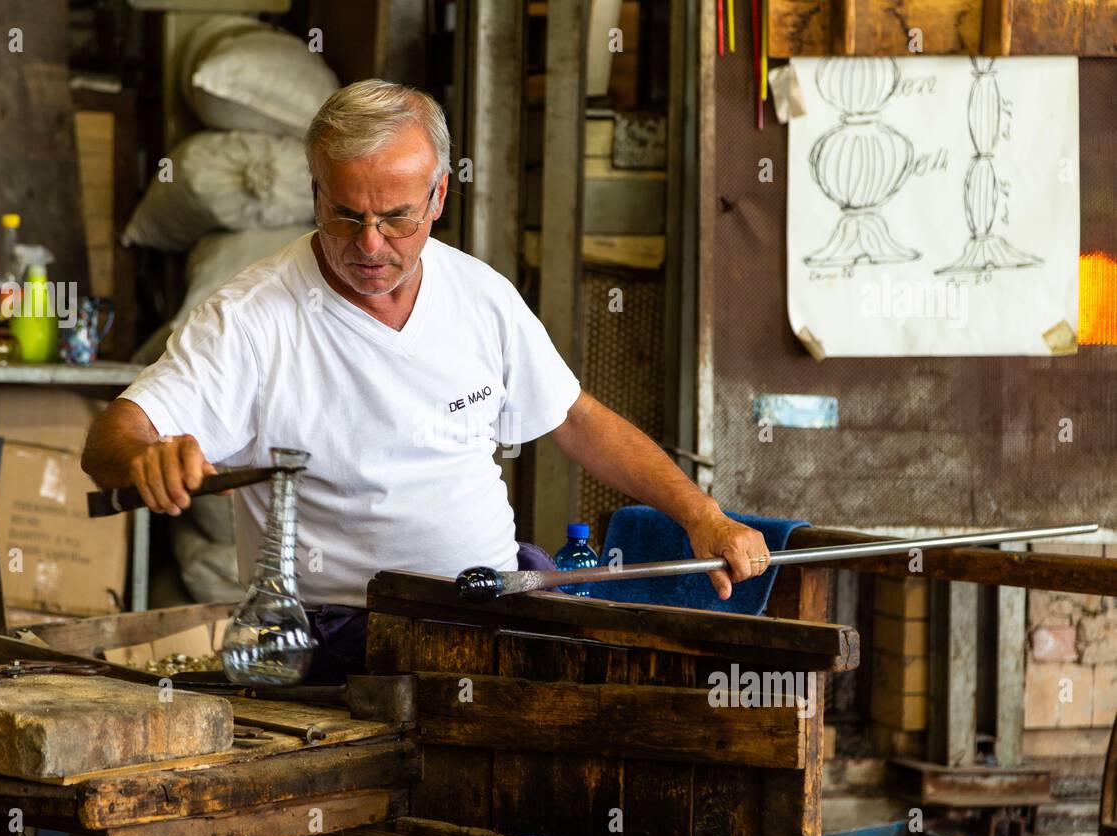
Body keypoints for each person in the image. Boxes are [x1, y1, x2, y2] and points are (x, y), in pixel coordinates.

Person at [82, 79, 770, 680]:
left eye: (396, 218)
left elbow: (574, 418)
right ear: (315, 192)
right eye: (347, 215)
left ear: (438, 194)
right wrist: (144, 458)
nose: (371, 245)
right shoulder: (252, 319)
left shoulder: (479, 294)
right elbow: (113, 437)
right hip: (345, 633)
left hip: (496, 599)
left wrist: (701, 515)